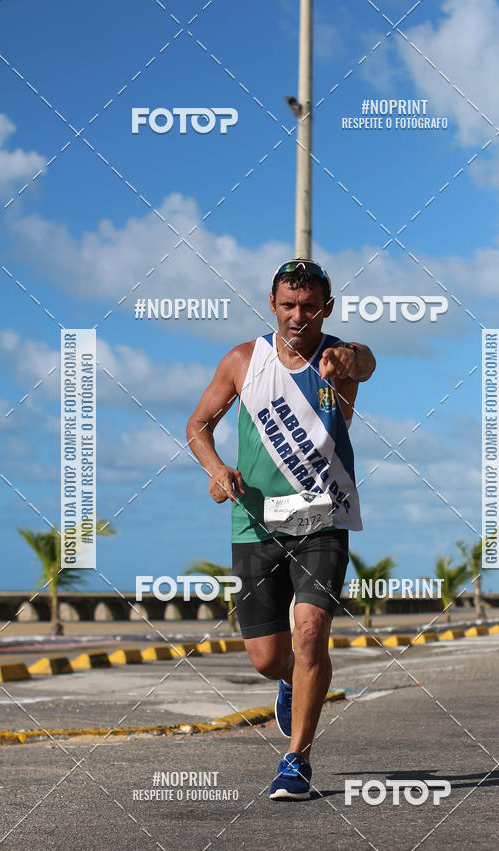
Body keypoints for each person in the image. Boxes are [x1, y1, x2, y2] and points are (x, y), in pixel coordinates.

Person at [186, 259, 376, 800]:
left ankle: (296, 759)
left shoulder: (338, 357)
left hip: (322, 515)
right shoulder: (244, 361)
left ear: (327, 308)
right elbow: (197, 426)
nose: (299, 316)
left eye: (310, 306)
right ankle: (293, 680)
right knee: (268, 658)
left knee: (312, 632)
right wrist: (217, 469)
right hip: (256, 521)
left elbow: (367, 363)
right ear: (272, 305)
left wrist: (352, 357)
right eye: (288, 305)